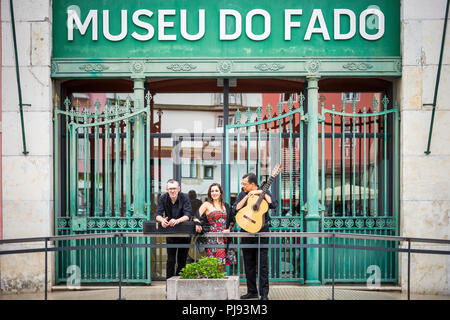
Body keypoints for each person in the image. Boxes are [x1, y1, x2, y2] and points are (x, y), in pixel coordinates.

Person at [233, 173, 277, 300]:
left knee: (263, 265)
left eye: (244, 184)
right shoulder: (243, 193)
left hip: (261, 231)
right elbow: (235, 208)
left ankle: (264, 294)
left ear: (253, 184)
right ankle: (252, 291)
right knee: (248, 263)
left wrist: (260, 193)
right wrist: (247, 196)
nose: (242, 186)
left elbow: (274, 204)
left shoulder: (264, 192)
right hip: (246, 231)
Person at [194, 183, 237, 270]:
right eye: (212, 191)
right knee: (212, 264)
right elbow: (196, 216)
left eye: (216, 191)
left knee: (222, 264)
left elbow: (232, 221)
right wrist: (197, 223)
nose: (214, 193)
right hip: (212, 238)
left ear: (220, 192)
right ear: (210, 193)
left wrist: (228, 229)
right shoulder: (206, 204)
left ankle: (221, 283)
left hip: (224, 238)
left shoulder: (226, 206)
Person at [155, 179, 192, 279]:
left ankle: (180, 285)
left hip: (184, 233)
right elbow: (157, 215)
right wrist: (162, 220)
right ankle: (169, 286)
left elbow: (188, 215)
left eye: (174, 188)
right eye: (170, 189)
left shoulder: (184, 197)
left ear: (179, 188)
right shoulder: (163, 198)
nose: (172, 191)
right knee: (170, 260)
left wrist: (177, 220)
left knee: (182, 260)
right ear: (167, 189)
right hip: (171, 233)